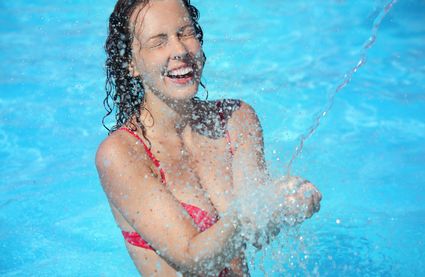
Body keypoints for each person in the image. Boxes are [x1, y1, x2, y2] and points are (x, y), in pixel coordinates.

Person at [95, 0, 322, 276]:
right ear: (131, 63)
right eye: (159, 42)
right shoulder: (122, 153)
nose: (179, 50)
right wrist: (247, 215)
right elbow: (193, 258)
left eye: (185, 33)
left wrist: (289, 202)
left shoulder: (236, 119)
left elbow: (260, 233)